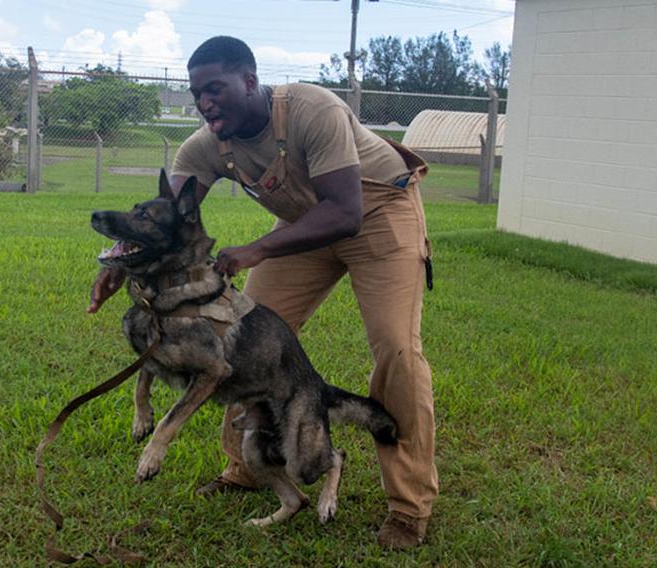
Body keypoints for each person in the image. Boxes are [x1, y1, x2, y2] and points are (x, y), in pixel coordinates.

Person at [87, 36, 437, 549]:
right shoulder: (204, 146)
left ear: (249, 81)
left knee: (397, 349)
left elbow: (345, 210)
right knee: (242, 331)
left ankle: (408, 507)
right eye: (195, 93)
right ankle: (248, 468)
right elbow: (164, 228)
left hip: (378, 214)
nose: (204, 103)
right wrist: (122, 265)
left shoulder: (310, 110)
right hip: (302, 225)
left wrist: (258, 249)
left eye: (214, 89)